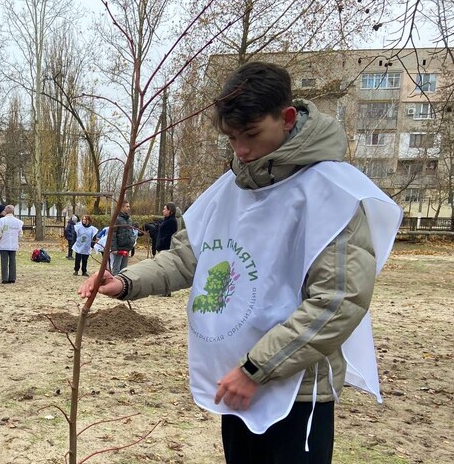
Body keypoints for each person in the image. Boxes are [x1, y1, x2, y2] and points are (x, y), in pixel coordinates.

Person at [78, 62, 401, 464]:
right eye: (232, 139)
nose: (241, 151)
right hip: (237, 378)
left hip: (296, 389)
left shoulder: (329, 193)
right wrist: (125, 282)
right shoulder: (231, 188)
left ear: (285, 119)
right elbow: (187, 256)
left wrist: (255, 369)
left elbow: (337, 301)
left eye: (250, 135)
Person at [0, 204, 23, 284]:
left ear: (5, 211)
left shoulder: (1, 221)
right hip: (13, 244)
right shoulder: (18, 222)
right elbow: (20, 234)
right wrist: (16, 239)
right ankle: (12, 277)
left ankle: (5, 278)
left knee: (4, 261)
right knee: (12, 261)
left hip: (3, 244)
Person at [109, 201, 135, 275]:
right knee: (116, 268)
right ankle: (114, 284)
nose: (128, 208)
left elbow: (131, 232)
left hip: (127, 247)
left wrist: (132, 242)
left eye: (129, 206)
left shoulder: (129, 219)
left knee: (124, 269)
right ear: (122, 207)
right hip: (119, 248)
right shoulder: (116, 219)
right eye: (127, 206)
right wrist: (114, 248)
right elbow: (113, 234)